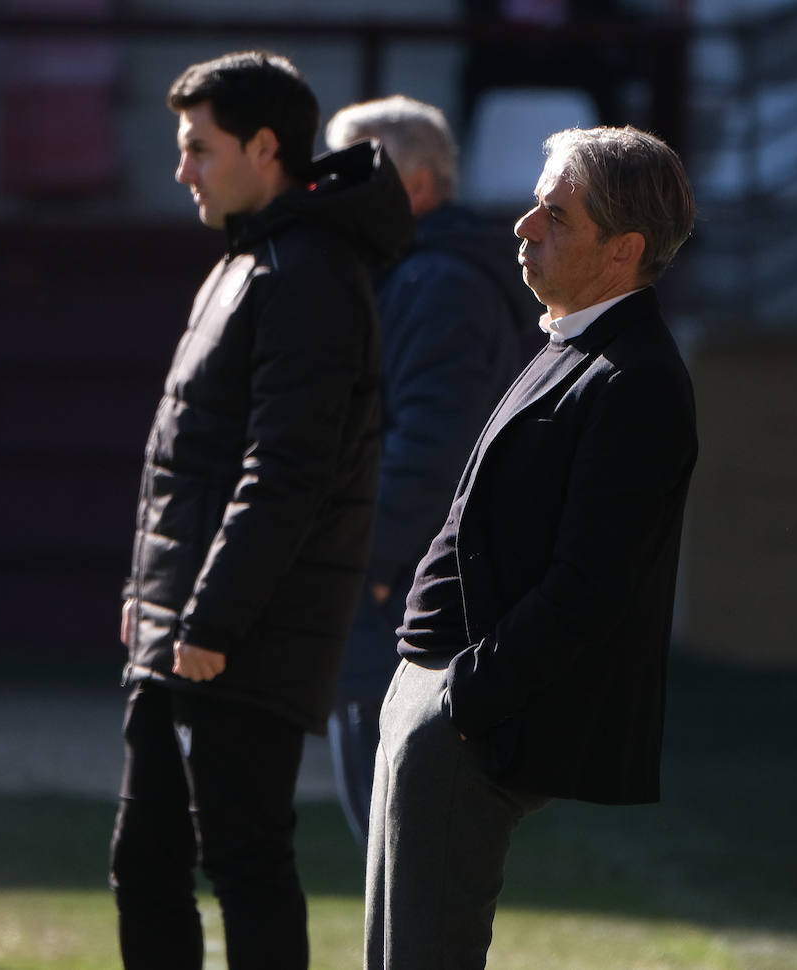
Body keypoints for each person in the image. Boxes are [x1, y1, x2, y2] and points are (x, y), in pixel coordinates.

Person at [365, 125, 697, 969]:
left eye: (556, 214)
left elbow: (590, 585)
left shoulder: (637, 377)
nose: (524, 226)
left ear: (623, 250)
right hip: (434, 695)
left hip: (468, 718)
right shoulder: (573, 340)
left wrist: (465, 701)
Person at [109, 51, 411, 970]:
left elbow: (287, 469)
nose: (182, 170)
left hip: (240, 636)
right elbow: (185, 458)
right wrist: (147, 595)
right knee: (150, 862)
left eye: (199, 148)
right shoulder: (249, 261)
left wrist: (210, 616)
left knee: (240, 861)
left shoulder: (305, 271)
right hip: (188, 628)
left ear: (265, 147)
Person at [321, 95, 540, 845]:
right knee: (393, 850)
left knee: (406, 854)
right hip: (407, 597)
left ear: (414, 185)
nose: (325, 187)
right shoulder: (415, 277)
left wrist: (369, 566)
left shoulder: (438, 285)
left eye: (348, 170)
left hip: (411, 609)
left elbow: (434, 448)